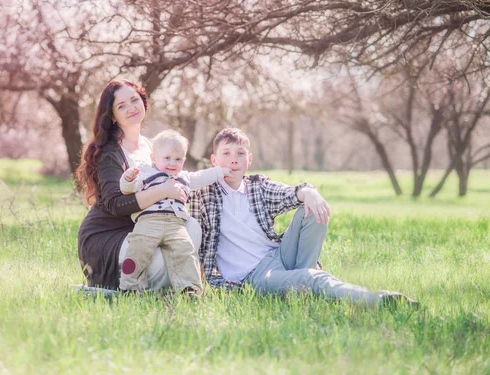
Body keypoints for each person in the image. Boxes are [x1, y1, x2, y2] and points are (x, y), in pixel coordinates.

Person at [188, 127, 419, 308]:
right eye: (226, 154)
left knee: (312, 209)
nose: (233, 160)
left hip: (279, 254)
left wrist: (309, 192)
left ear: (249, 159)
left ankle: (301, 286)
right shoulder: (203, 193)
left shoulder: (257, 186)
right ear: (214, 160)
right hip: (254, 276)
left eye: (240, 154)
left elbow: (290, 193)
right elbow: (181, 182)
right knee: (312, 279)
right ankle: (377, 300)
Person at [76, 80, 200, 291]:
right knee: (156, 260)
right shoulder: (110, 153)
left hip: (146, 227)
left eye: (134, 100)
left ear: (143, 102)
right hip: (108, 234)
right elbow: (116, 204)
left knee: (191, 228)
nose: (131, 108)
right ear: (112, 116)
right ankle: (125, 290)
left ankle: (178, 289)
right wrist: (162, 190)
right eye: (121, 105)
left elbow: (182, 179)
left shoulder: (153, 147)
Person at [118, 129, 231, 295]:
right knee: (138, 249)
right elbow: (128, 189)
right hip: (149, 222)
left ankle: (189, 289)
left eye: (178, 159)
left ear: (183, 161)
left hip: (176, 224)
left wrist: (220, 171)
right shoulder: (146, 173)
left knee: (185, 251)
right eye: (167, 158)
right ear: (153, 158)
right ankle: (130, 286)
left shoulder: (184, 177)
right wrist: (127, 179)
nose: (173, 163)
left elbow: (201, 176)